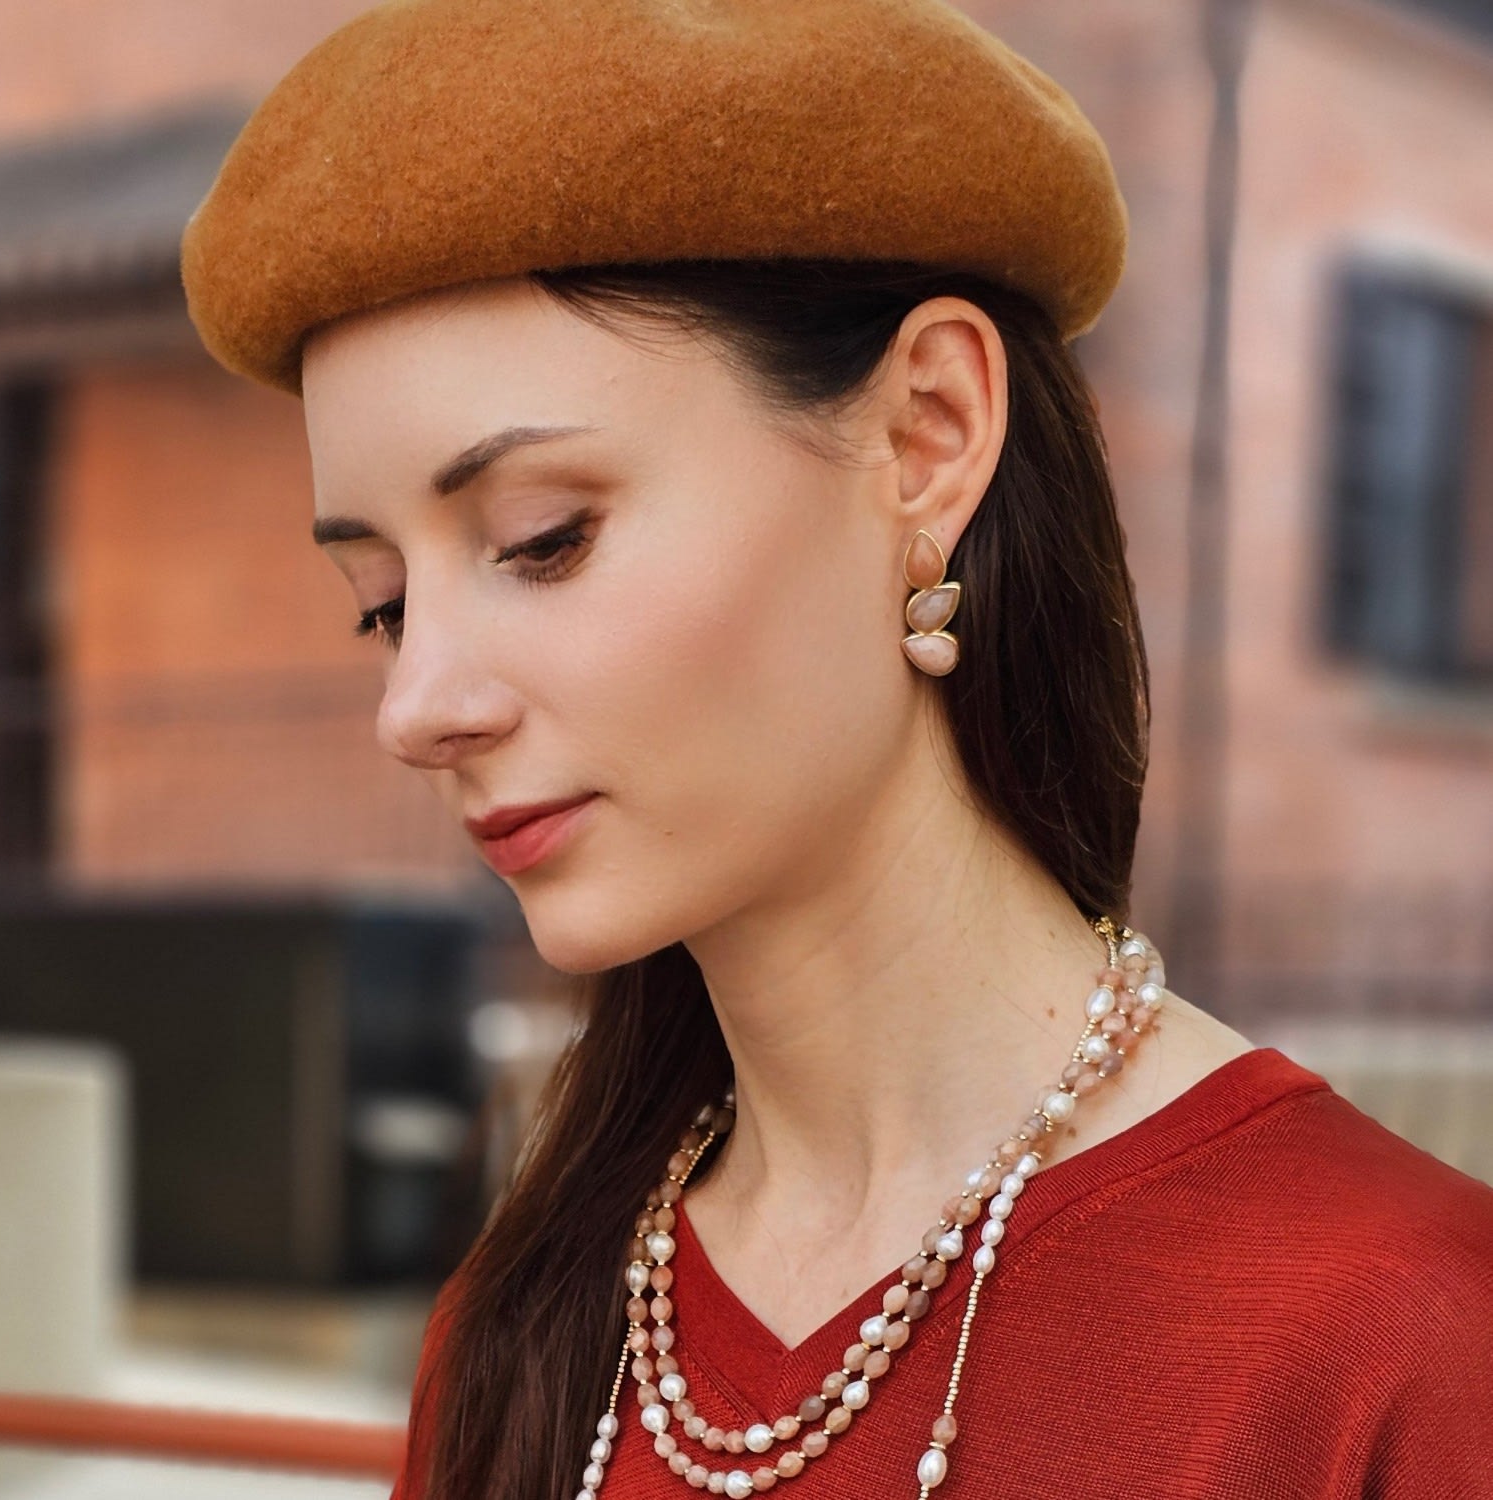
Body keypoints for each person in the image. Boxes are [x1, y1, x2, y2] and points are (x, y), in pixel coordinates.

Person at [179, 1, 1493, 1497]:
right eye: (383, 606)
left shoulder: (1397, 1345)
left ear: (927, 434)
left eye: (545, 541)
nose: (417, 708)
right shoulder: (528, 1331)